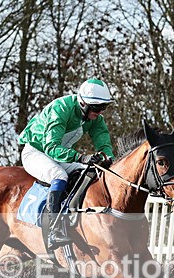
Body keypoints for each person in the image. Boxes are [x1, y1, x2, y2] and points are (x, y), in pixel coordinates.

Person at [17, 78, 116, 248]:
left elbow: (103, 141)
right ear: (83, 104)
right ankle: (54, 230)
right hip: (36, 152)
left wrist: (108, 159)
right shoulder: (60, 108)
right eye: (97, 108)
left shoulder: (94, 118)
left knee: (90, 172)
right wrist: (80, 157)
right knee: (59, 175)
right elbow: (51, 147)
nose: (100, 113)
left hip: (60, 155)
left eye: (104, 108)